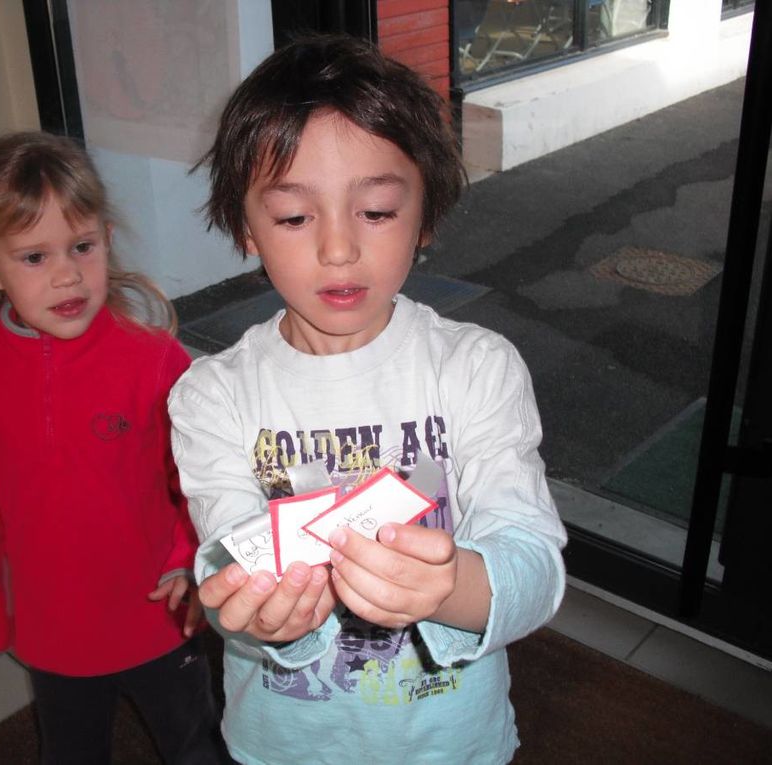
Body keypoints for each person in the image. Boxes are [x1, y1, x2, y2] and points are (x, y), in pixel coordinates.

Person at [168, 34, 567, 764]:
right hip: (285, 744)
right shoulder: (211, 396)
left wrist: (450, 586)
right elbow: (221, 559)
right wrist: (266, 615)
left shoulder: (475, 369)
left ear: (426, 215)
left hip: (454, 744)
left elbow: (534, 564)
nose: (338, 249)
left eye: (377, 210)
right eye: (293, 217)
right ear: (246, 229)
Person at [0, 131, 230, 764]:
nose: (69, 274)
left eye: (82, 246)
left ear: (105, 237)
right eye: (34, 257)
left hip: (159, 612)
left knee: (195, 745)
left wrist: (191, 558)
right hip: (54, 627)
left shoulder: (155, 361)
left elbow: (206, 480)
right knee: (70, 751)